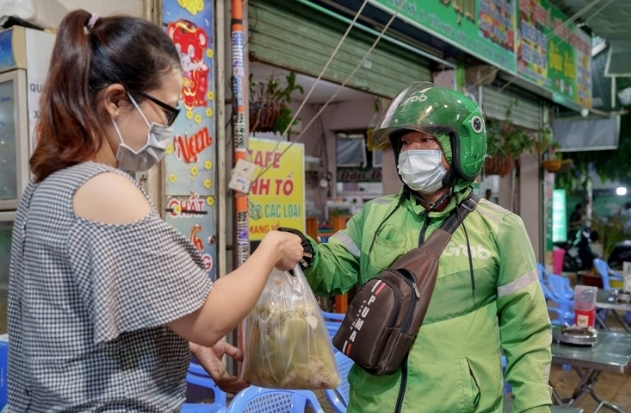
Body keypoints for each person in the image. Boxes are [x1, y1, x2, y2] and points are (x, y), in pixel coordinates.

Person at [8, 10, 303, 411]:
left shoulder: (47, 185)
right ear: (115, 100)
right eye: (166, 112)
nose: (167, 128)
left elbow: (94, 309)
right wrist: (270, 248)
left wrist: (178, 335)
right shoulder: (106, 189)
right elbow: (211, 316)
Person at [281, 82, 552, 412]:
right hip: (373, 403)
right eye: (406, 142)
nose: (413, 151)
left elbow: (527, 333)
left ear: (462, 145)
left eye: (426, 140)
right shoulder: (375, 215)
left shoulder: (500, 228)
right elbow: (334, 268)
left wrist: (534, 406)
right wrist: (306, 253)